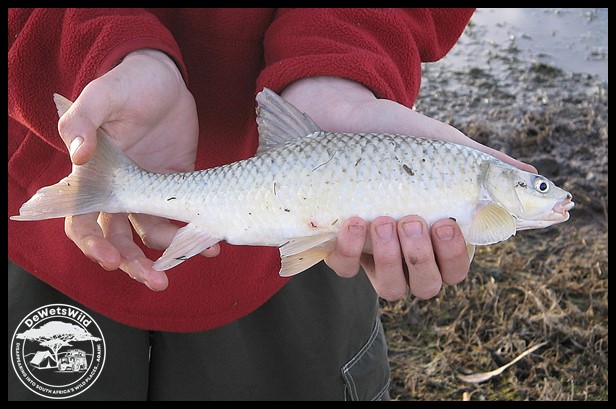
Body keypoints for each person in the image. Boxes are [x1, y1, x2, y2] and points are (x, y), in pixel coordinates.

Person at [8, 8, 535, 400]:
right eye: (538, 187)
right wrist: (96, 51)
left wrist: (337, 66)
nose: (550, 195)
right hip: (47, 238)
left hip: (287, 272)